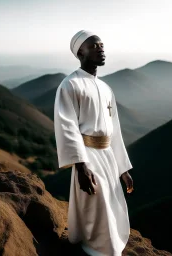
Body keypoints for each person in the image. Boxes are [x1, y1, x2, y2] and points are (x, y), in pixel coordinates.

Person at [54, 30, 134, 256]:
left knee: (111, 203)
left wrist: (123, 169)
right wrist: (80, 165)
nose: (101, 49)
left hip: (108, 156)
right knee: (96, 205)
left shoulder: (106, 88)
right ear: (81, 51)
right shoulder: (70, 85)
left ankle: (110, 246)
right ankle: (98, 249)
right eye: (95, 45)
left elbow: (114, 131)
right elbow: (67, 126)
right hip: (88, 156)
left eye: (102, 45)